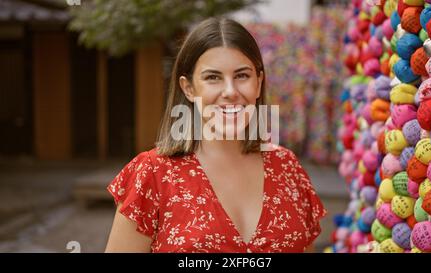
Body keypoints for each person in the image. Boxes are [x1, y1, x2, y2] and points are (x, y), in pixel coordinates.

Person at [105, 17, 326, 253]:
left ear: (258, 82)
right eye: (213, 77)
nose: (230, 92)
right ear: (188, 88)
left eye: (242, 76)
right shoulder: (152, 174)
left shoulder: (288, 167)